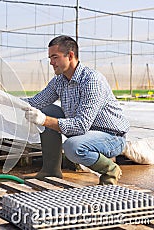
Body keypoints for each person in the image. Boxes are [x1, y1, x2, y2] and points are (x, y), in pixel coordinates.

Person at [22, 35, 129, 185]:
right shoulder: (59, 81)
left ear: (70, 55)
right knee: (48, 109)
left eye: (55, 57)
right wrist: (1, 100)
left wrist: (44, 120)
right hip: (86, 134)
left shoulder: (92, 80)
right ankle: (51, 171)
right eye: (50, 58)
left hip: (111, 137)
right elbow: (35, 102)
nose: (51, 63)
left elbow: (81, 126)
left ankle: (110, 169)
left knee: (73, 146)